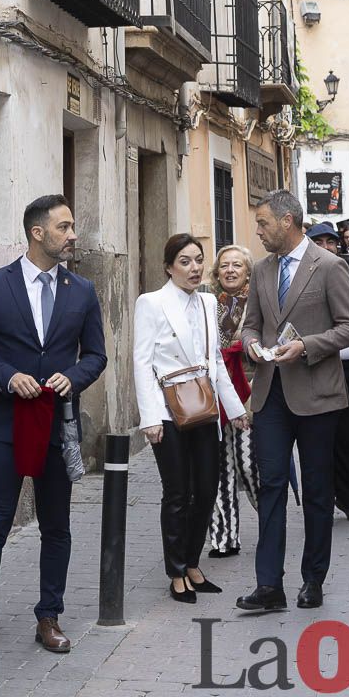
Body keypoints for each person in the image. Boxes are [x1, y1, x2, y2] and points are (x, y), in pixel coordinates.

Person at [0, 194, 108, 653]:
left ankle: (49, 617)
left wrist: (74, 376)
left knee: (56, 526)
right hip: (5, 425)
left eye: (72, 227)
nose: (72, 235)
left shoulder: (81, 291)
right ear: (37, 233)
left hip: (57, 426)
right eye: (64, 227)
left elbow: (96, 355)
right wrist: (7, 376)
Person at [236, 190, 349, 612]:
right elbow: (250, 326)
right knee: (271, 485)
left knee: (316, 491)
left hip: (317, 396)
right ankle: (269, 586)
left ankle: (313, 580)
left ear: (287, 221)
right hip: (270, 394)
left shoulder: (330, 266)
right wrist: (253, 345)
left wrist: (306, 346)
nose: (258, 230)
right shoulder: (261, 270)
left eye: (263, 223)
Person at [133, 235, 250, 603]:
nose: (194, 268)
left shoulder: (207, 302)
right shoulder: (151, 303)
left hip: (204, 407)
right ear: (169, 266)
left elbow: (214, 359)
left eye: (198, 260)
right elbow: (141, 362)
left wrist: (236, 409)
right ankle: (176, 570)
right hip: (167, 409)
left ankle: (193, 561)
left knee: (207, 489)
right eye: (185, 261)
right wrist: (149, 417)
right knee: (177, 492)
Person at [308, 223, 349, 523]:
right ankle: (321, 500)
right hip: (314, 369)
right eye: (317, 241)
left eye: (330, 242)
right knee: (318, 441)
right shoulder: (298, 281)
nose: (325, 247)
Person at [207, 245, 261, 559]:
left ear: (247, 271)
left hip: (249, 392)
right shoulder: (207, 303)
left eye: (236, 265)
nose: (229, 270)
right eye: (224, 265)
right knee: (220, 469)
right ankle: (224, 538)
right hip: (215, 397)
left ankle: (271, 521)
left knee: (250, 465)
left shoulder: (259, 303)